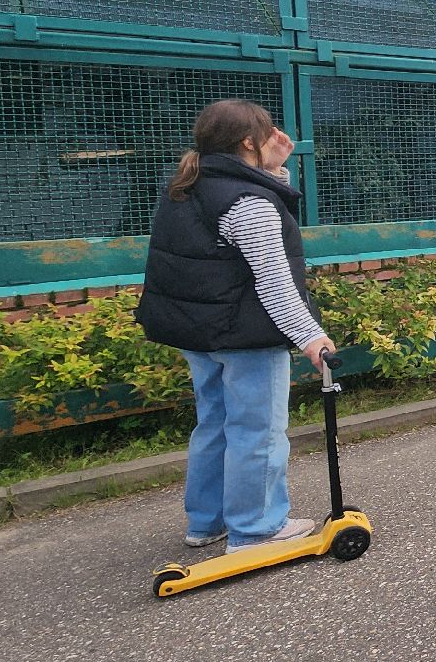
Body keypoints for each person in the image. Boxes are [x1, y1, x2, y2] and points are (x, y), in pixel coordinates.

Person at [138, 99, 338, 556]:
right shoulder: (248, 202)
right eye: (266, 133)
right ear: (248, 142)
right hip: (246, 335)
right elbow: (273, 280)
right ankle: (256, 527)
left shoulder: (187, 186)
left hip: (199, 331)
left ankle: (206, 523)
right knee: (257, 430)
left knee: (215, 423)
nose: (274, 139)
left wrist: (272, 172)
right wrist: (309, 335)